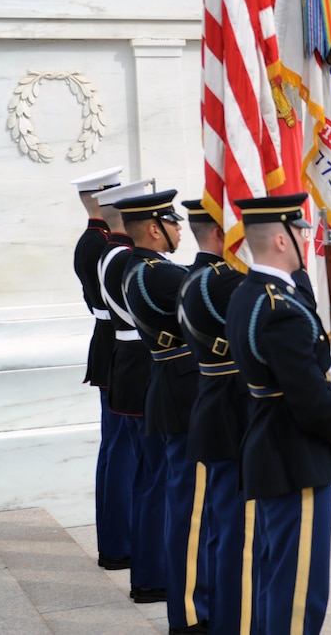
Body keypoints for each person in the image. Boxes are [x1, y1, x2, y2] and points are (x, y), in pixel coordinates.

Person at [224, 193, 331, 634]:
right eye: (300, 230)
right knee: (299, 594)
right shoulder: (280, 308)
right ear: (279, 239)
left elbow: (285, 369)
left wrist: (326, 363)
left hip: (270, 450)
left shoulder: (248, 294)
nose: (307, 238)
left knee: (276, 579)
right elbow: (306, 397)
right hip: (296, 460)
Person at [116, 190, 208, 632]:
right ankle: (190, 612)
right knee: (189, 507)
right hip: (184, 393)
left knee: (180, 499)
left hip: (169, 389)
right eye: (174, 224)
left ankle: (183, 598)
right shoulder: (159, 274)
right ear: (156, 228)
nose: (179, 231)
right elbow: (212, 293)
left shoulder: (138, 268)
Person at [92, 178, 166, 603]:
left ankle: (132, 552)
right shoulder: (123, 258)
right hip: (138, 363)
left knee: (135, 464)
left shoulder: (112, 252)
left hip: (128, 362)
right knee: (145, 469)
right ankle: (137, 558)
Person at [178, 199, 248, 635]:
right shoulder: (226, 283)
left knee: (220, 526)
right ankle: (231, 620)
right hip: (234, 409)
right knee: (234, 530)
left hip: (209, 401)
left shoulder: (187, 278)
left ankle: (217, 614)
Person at [69, 165, 134, 572]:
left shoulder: (95, 242)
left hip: (108, 348)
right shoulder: (102, 245)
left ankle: (117, 541)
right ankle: (118, 544)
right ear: (102, 200)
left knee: (116, 450)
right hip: (116, 349)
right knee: (121, 452)